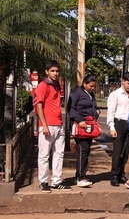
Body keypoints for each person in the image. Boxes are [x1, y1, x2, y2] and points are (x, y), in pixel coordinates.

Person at [35, 60, 71, 192]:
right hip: (47, 125)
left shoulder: (56, 85)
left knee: (59, 154)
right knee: (44, 155)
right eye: (52, 71)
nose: (55, 73)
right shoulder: (42, 86)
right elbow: (39, 105)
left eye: (57, 71)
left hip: (58, 124)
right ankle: (43, 182)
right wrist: (44, 125)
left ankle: (57, 181)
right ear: (47, 71)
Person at [67, 74, 101, 187]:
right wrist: (79, 120)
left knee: (86, 151)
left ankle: (79, 175)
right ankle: (81, 176)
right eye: (90, 86)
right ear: (84, 84)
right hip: (80, 125)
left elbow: (93, 107)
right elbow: (70, 109)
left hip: (89, 125)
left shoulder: (91, 95)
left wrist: (96, 114)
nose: (92, 88)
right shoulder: (76, 93)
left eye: (93, 86)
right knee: (83, 150)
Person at [107, 72, 129, 186]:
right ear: (123, 81)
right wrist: (112, 127)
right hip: (119, 123)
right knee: (117, 151)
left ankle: (121, 173)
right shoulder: (115, 94)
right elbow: (111, 112)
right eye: (128, 83)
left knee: (126, 151)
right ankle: (114, 175)